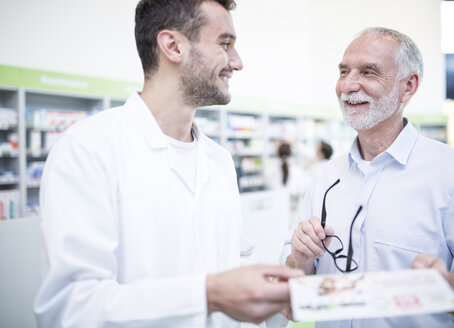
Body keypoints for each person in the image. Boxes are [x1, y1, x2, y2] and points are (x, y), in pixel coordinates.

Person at [33, 1, 303, 327]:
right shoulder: (87, 150)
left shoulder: (218, 160)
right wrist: (207, 294)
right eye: (225, 44)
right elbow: (70, 309)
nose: (237, 62)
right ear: (173, 46)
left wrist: (280, 286)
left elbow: (232, 258)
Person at [284, 27, 454, 327]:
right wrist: (300, 260)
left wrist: (452, 289)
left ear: (408, 86)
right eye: (344, 72)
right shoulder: (325, 178)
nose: (349, 85)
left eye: (369, 72)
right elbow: (296, 281)